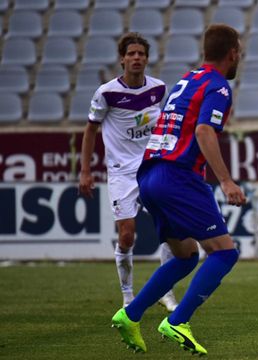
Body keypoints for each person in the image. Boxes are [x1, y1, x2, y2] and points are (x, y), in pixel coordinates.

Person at [110, 24, 245, 355]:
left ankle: (130, 314)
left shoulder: (188, 79)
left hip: (150, 175)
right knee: (225, 252)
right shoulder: (219, 87)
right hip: (178, 176)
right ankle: (177, 320)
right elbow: (203, 131)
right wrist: (226, 180)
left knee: (185, 257)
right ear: (232, 53)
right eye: (239, 50)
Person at [79, 32, 179, 312]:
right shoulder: (107, 93)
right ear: (122, 58)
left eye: (142, 54)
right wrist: (85, 171)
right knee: (127, 235)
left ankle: (166, 291)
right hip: (122, 172)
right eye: (132, 54)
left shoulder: (158, 89)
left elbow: (165, 126)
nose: (137, 58)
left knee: (170, 229)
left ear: (147, 59)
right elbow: (90, 131)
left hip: (153, 168)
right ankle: (127, 296)